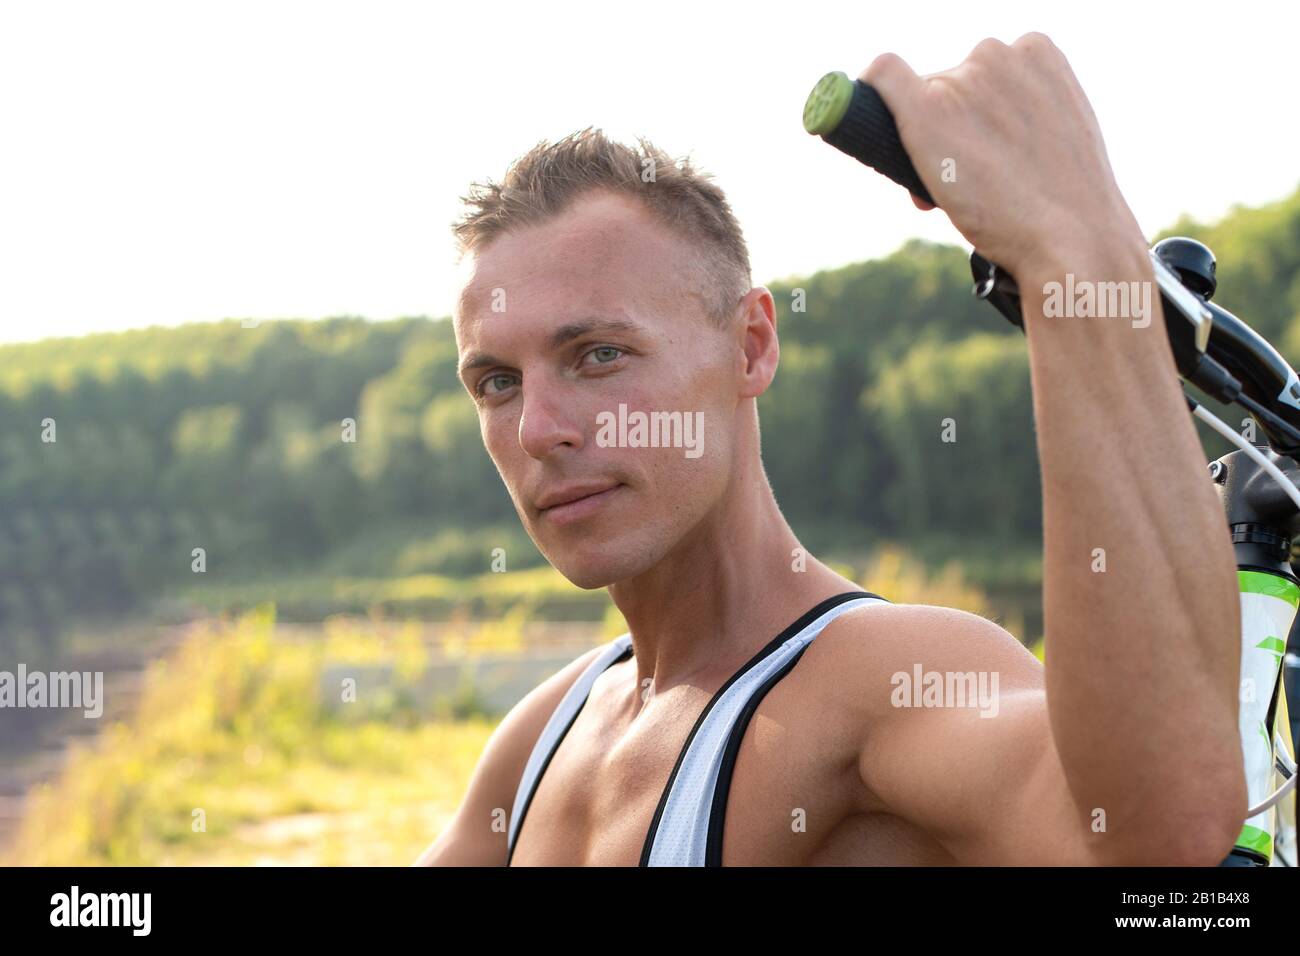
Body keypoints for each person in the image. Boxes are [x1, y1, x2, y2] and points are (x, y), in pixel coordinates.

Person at [416, 33, 1246, 866]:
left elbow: (1154, 846)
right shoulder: (538, 740)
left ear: (750, 348)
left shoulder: (881, 683)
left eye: (599, 355)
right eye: (496, 382)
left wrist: (1080, 249)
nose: (537, 428)